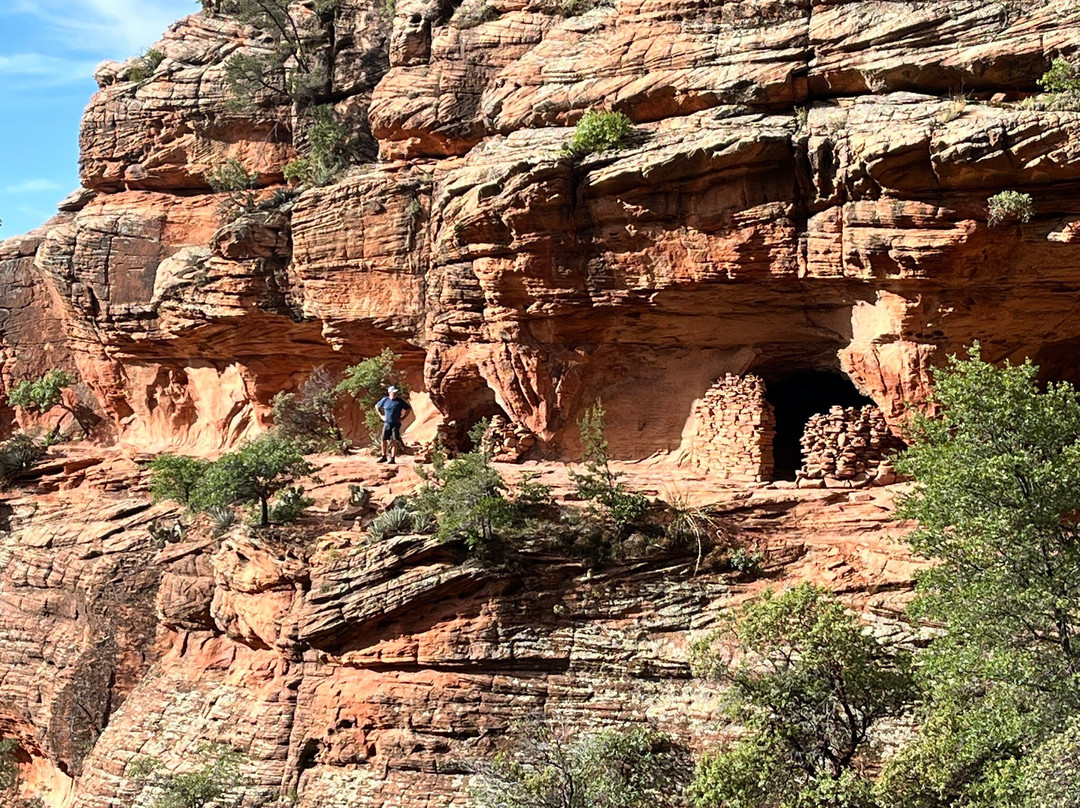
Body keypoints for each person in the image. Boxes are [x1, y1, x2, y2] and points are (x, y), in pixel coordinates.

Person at [375, 385, 411, 464]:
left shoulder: (399, 401)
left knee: (394, 441)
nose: (395, 394)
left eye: (396, 392)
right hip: (387, 423)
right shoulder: (385, 400)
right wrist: (381, 416)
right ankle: (384, 456)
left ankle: (392, 459)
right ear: (389, 392)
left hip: (396, 424)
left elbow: (408, 408)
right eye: (393, 392)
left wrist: (403, 418)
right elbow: (377, 406)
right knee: (383, 440)